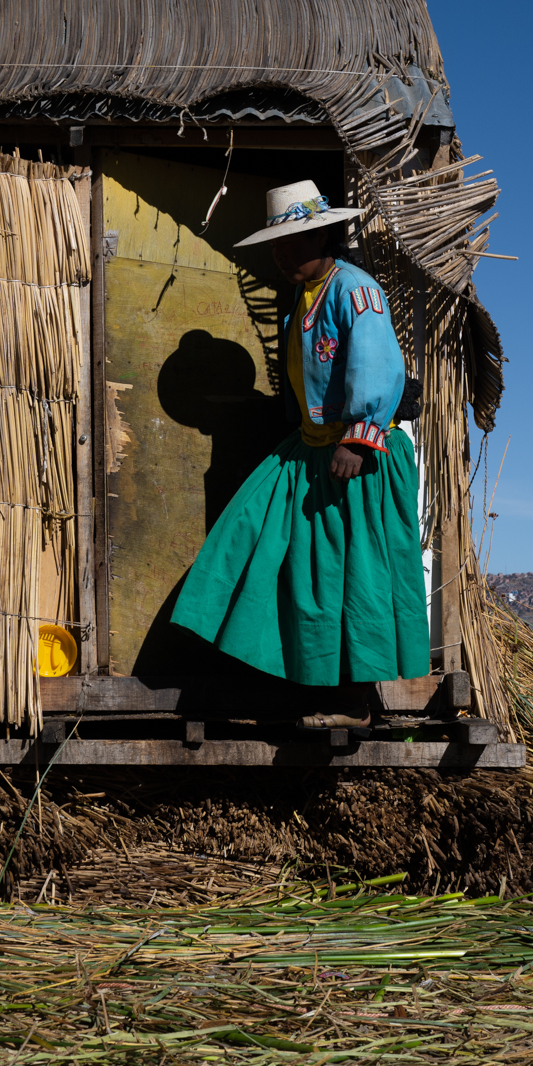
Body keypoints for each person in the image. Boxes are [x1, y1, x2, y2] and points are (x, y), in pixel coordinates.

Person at [170, 180, 431, 729]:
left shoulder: (355, 290)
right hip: (312, 450)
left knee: (353, 574)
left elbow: (378, 363)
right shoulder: (305, 297)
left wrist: (358, 437)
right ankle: (292, 681)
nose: (283, 255)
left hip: (357, 457)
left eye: (293, 243)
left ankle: (353, 702)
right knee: (266, 545)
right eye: (276, 247)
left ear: (323, 237)